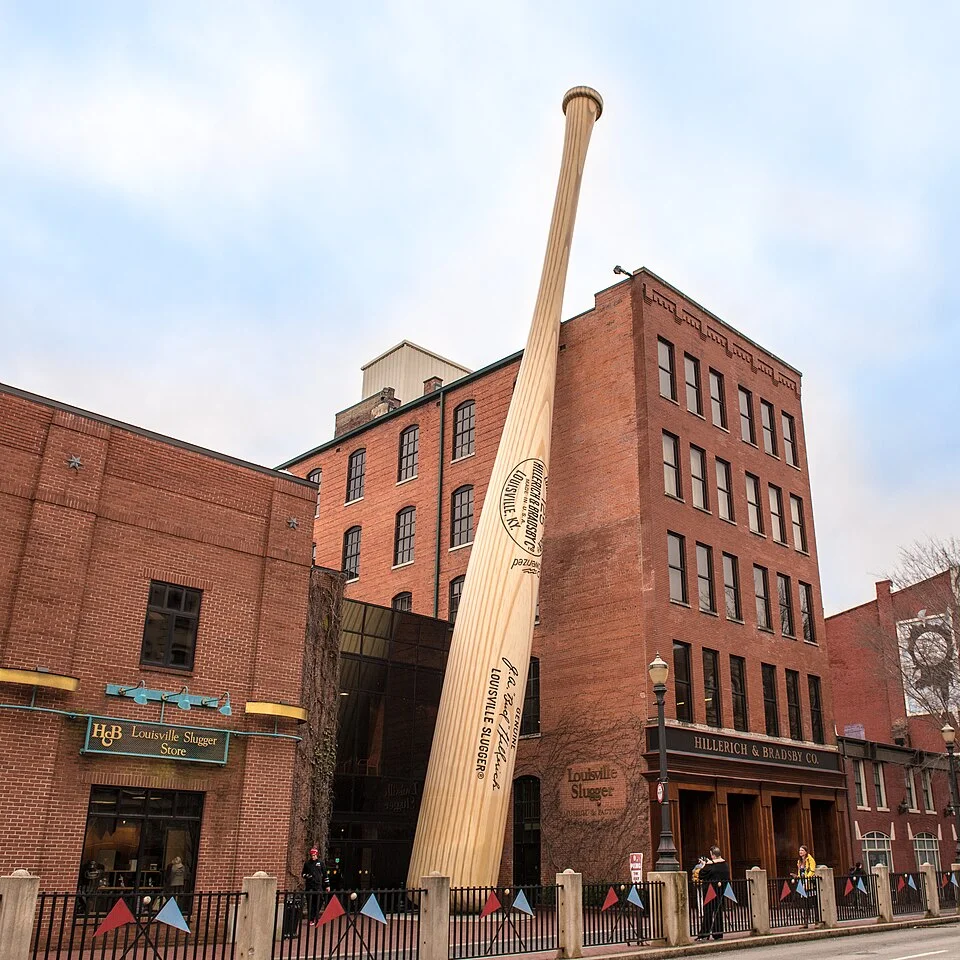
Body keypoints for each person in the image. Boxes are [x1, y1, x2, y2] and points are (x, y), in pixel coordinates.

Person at [695, 846, 730, 941]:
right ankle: (718, 933)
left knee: (708, 912)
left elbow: (701, 875)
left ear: (713, 855)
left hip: (710, 892)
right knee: (718, 912)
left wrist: (704, 865)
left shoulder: (711, 865)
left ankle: (704, 934)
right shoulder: (725, 865)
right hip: (720, 891)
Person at [301, 847, 330, 927]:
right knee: (310, 902)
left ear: (317, 855)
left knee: (319, 900)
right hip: (310, 886)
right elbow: (303, 874)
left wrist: (327, 885)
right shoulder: (307, 863)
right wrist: (307, 876)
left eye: (314, 855)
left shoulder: (321, 863)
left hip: (318, 885)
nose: (313, 857)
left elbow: (325, 875)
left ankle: (316, 916)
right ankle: (311, 919)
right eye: (312, 855)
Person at [795, 845, 817, 926]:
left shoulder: (810, 859)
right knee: (804, 903)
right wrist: (798, 877)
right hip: (802, 883)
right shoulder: (799, 861)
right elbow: (799, 872)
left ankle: (817, 920)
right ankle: (805, 922)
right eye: (799, 850)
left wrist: (807, 879)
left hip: (809, 883)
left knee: (812, 902)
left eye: (802, 850)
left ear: (806, 851)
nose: (800, 852)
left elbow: (812, 870)